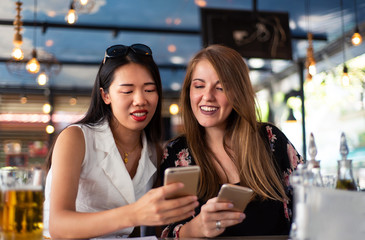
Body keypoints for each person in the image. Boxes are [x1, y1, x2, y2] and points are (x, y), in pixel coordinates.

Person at [43, 43, 198, 239]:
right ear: (105, 95)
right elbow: (58, 226)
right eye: (127, 91)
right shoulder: (76, 138)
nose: (140, 100)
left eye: (149, 90)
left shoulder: (153, 152)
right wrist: (134, 214)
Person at [160, 44, 303, 238]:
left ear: (238, 93)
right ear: (189, 92)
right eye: (199, 86)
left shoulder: (270, 139)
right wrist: (198, 227)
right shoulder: (177, 152)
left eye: (221, 88)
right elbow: (166, 232)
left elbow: (310, 202)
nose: (208, 96)